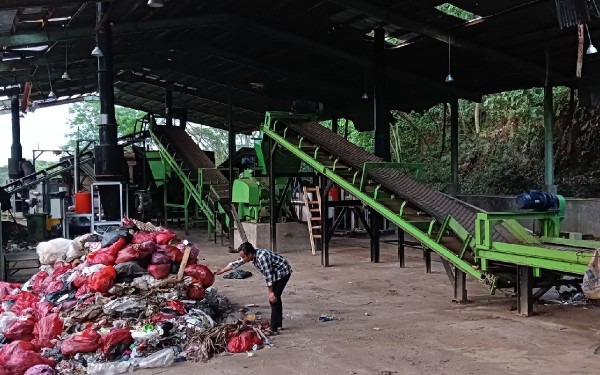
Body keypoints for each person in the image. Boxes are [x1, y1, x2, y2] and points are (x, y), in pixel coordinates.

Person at [215, 242, 292, 334]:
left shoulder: (262, 258)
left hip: (282, 273)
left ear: (250, 254)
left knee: (273, 299)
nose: (243, 259)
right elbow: (236, 263)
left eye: (244, 257)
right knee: (275, 298)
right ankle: (278, 324)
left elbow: (269, 277)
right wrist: (223, 270)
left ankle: (273, 329)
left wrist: (271, 292)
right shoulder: (252, 254)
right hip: (275, 272)